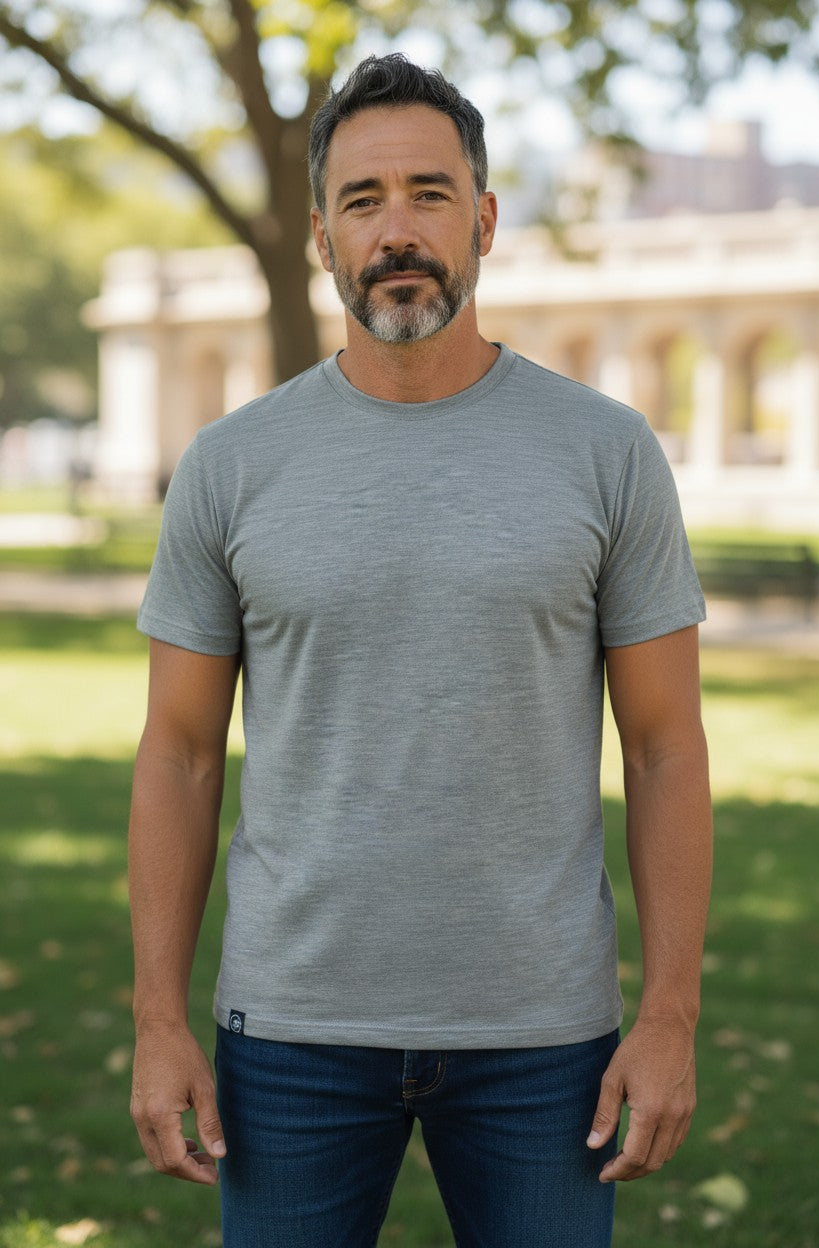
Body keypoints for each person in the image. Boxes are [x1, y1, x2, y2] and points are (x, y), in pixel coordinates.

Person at [128, 53, 713, 1248]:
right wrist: (157, 1019)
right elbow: (180, 754)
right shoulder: (231, 466)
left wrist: (669, 1016)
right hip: (288, 1036)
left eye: (430, 194)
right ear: (322, 239)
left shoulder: (605, 453)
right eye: (363, 200)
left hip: (544, 1043)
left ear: (484, 219)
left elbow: (663, 746)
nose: (397, 230)